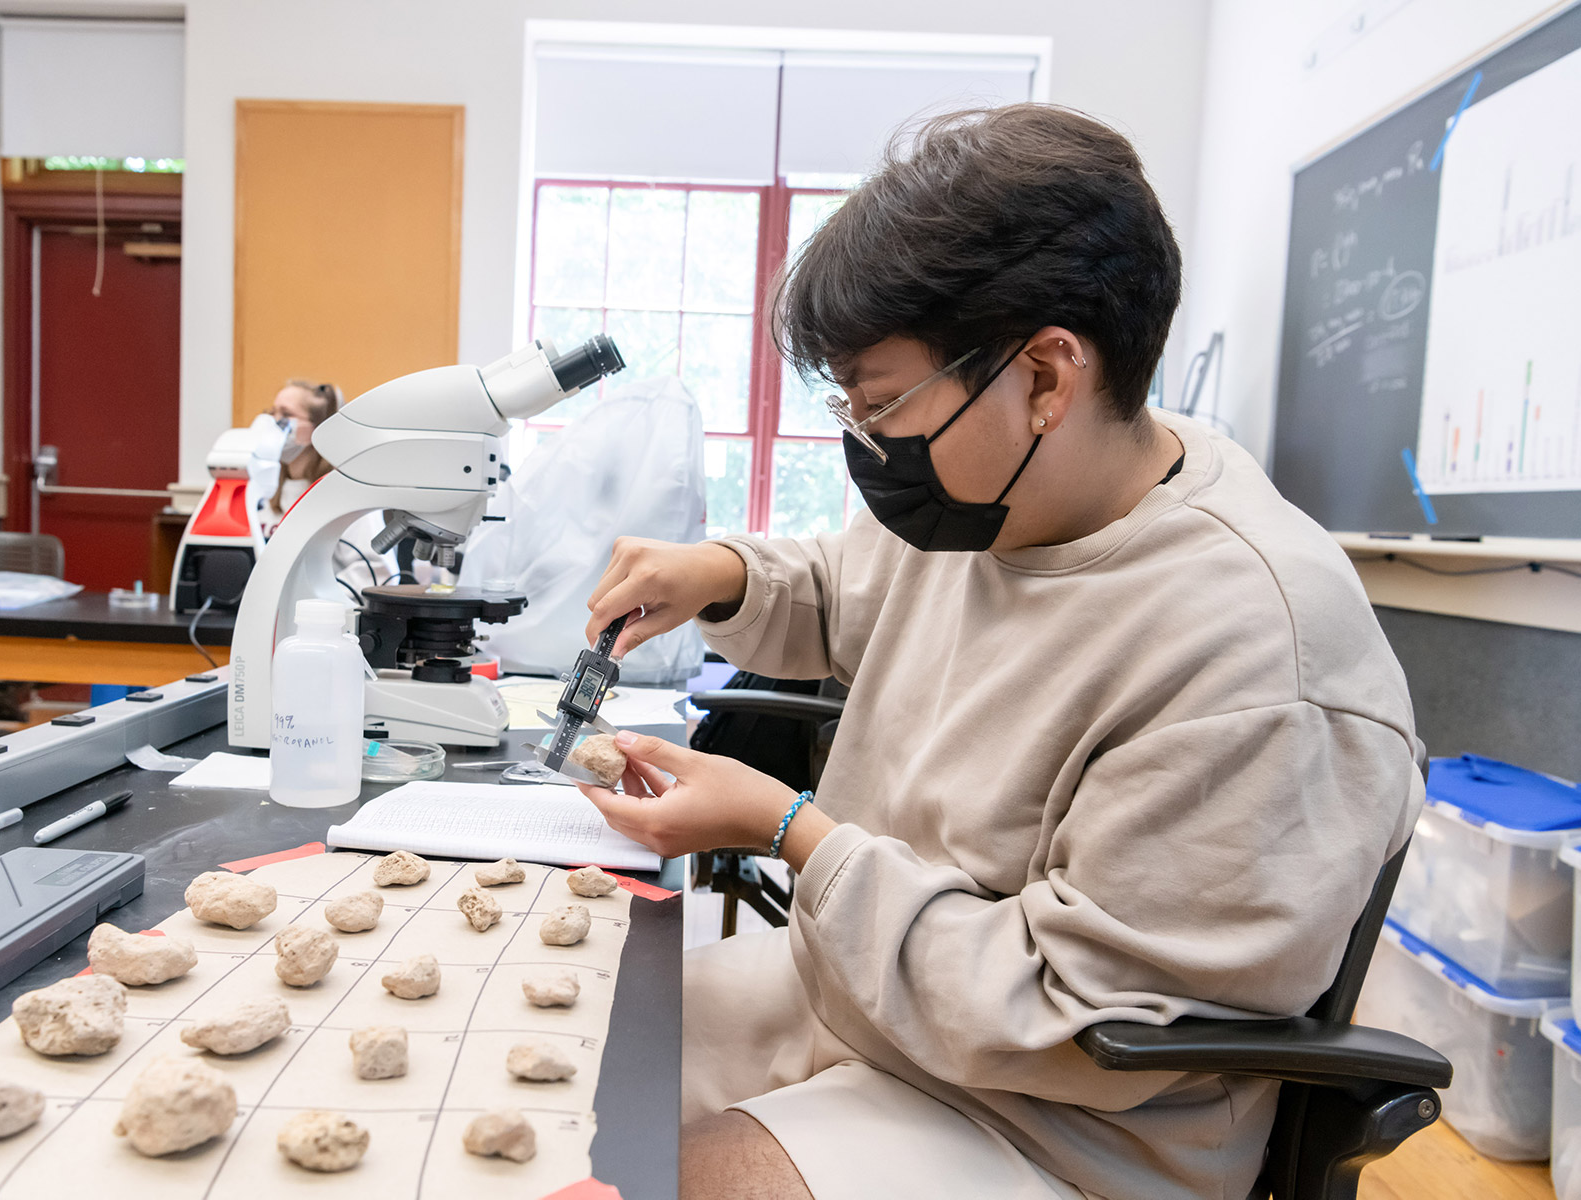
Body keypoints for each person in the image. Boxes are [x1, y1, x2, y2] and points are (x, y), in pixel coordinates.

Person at [574, 104, 1422, 1200]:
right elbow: (845, 594)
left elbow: (1075, 1015)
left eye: (881, 404)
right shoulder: (994, 497)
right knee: (556, 1078)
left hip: (1061, 1119)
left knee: (665, 1180)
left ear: (1045, 377)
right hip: (876, 991)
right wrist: (722, 574)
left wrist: (787, 830)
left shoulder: (1255, 647)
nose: (867, 444)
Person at [259, 378, 343, 537]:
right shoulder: (265, 489)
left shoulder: (341, 494)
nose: (274, 422)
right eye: (272, 413)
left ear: (317, 426)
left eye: (286, 414)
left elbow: (372, 562)